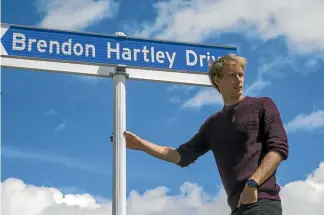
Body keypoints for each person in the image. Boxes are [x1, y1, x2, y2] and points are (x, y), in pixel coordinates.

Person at [114, 54, 289, 215]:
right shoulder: (212, 124)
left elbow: (278, 148)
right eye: (232, 75)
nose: (239, 80)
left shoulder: (263, 104)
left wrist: (253, 183)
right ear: (217, 80)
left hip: (263, 202)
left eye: (241, 75)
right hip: (237, 208)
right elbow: (181, 156)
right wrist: (140, 144)